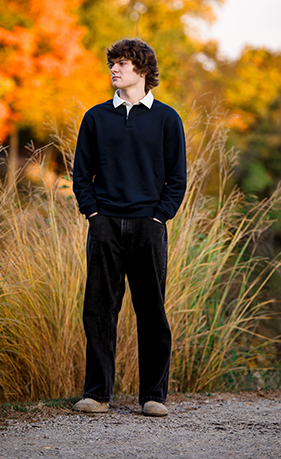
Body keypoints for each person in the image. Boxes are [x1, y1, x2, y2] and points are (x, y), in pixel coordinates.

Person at [71, 37, 187, 417]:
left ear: (142, 70)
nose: (114, 70)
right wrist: (94, 216)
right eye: (112, 64)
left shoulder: (167, 119)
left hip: (148, 228)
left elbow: (177, 178)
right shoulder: (96, 117)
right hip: (104, 227)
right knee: (99, 311)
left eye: (121, 63)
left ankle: (153, 396)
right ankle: (97, 395)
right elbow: (80, 176)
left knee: (151, 311)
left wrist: (159, 218)